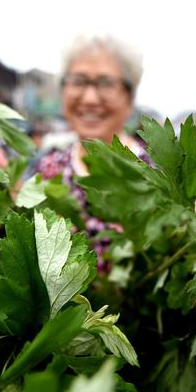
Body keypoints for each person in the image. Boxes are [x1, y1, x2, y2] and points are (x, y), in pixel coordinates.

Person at [29, 34, 148, 271]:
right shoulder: (46, 170)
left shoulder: (155, 174)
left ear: (129, 96)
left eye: (106, 83)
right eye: (79, 81)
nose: (90, 98)